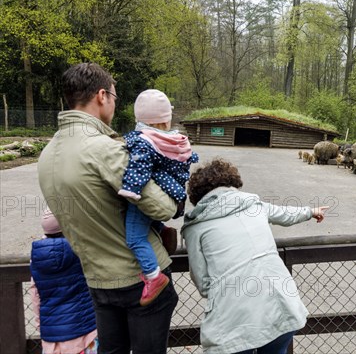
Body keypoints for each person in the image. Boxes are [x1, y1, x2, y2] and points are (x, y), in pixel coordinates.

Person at [37, 62, 179, 354]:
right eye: (114, 97)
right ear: (102, 95)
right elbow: (164, 208)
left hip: (97, 281)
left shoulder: (48, 154)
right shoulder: (104, 148)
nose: (114, 104)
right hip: (141, 279)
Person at [181, 158, 328, 354]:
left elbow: (202, 281)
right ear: (232, 183)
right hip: (281, 304)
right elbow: (285, 214)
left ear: (198, 194)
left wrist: (222, 290)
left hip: (233, 317)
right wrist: (310, 212)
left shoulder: (195, 227)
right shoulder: (254, 205)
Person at [118, 89, 199, 306]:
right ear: (166, 119)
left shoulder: (144, 141)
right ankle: (162, 231)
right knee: (150, 222)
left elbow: (139, 167)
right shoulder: (175, 140)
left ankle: (153, 276)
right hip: (171, 193)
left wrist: (131, 189)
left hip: (145, 196)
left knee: (134, 238)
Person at [30, 209, 99, 354]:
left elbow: (35, 295)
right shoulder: (80, 250)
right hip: (85, 329)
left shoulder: (36, 258)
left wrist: (39, 324)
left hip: (53, 337)